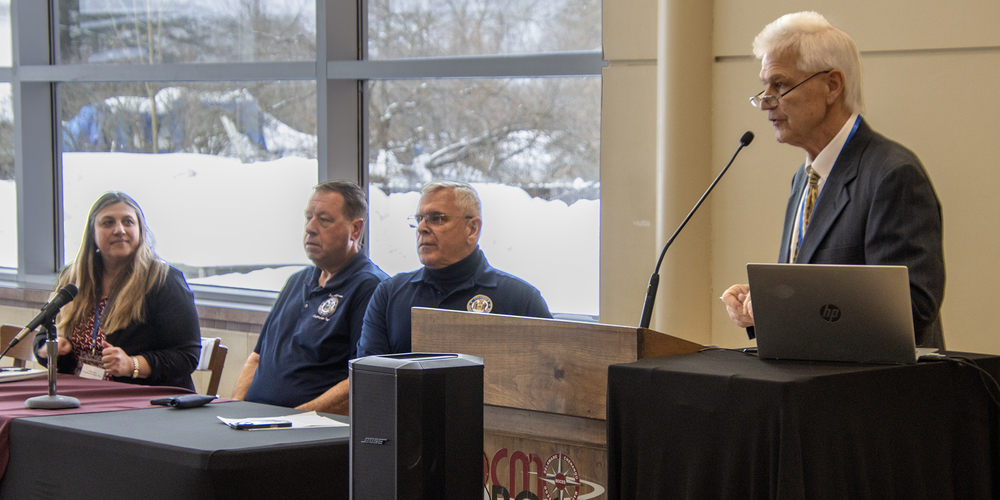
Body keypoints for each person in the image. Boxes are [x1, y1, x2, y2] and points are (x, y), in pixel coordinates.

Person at [721, 12, 945, 348]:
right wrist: (764, 304)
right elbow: (812, 286)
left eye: (779, 84)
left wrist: (789, 305)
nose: (766, 101)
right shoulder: (805, 177)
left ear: (832, 85)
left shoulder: (892, 175)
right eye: (764, 86)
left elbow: (910, 310)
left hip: (874, 393)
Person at [232, 181, 387, 414]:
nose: (310, 228)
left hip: (307, 432)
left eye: (324, 220)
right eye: (308, 218)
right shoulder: (297, 281)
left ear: (355, 229)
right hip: (255, 423)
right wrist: (235, 409)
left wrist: (294, 421)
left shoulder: (371, 288)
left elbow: (363, 381)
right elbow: (257, 358)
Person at [357, 180, 552, 356]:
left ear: (472, 229)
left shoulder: (520, 300)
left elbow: (554, 380)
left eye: (437, 218)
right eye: (419, 219)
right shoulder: (389, 294)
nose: (422, 228)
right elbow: (370, 378)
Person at [34, 192, 202, 390]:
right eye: (107, 223)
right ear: (92, 233)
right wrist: (50, 349)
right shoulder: (72, 278)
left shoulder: (164, 280)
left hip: (143, 402)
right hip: (75, 396)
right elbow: (42, 335)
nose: (119, 230)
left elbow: (186, 356)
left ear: (140, 230)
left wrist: (133, 365)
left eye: (128, 222)